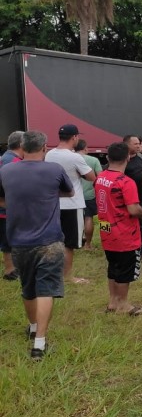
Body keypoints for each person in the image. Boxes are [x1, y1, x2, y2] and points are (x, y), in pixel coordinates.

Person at [0, 130, 73, 360]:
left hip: (19, 242)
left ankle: (32, 327)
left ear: (22, 147)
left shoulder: (7, 170)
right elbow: (69, 190)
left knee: (28, 288)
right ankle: (39, 344)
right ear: (44, 148)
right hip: (50, 240)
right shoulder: (54, 169)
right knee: (46, 289)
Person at [95, 142, 142, 315]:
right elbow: (133, 209)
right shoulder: (126, 182)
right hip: (124, 232)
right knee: (125, 269)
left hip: (105, 228)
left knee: (113, 265)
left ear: (107, 157)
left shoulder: (100, 177)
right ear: (128, 158)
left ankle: (112, 301)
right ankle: (123, 303)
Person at [45, 124, 96, 283]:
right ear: (74, 137)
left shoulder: (49, 154)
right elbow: (91, 176)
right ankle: (67, 277)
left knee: (53, 241)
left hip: (53, 203)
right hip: (72, 204)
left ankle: (51, 273)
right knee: (69, 244)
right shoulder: (74, 157)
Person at [1, 130, 24, 280]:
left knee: (6, 240)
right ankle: (11, 270)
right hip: (9, 208)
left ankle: (10, 268)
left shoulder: (3, 158)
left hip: (4, 208)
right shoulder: (16, 163)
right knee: (11, 240)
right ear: (22, 144)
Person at [76, 139, 102, 250]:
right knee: (88, 218)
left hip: (73, 195)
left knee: (75, 219)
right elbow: (100, 177)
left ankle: (76, 243)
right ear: (85, 148)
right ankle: (88, 244)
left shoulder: (70, 158)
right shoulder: (93, 160)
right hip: (89, 194)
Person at [122, 135, 142, 257]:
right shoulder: (121, 159)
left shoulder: (140, 157)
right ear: (127, 145)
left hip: (138, 198)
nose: (138, 146)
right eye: (135, 144)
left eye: (138, 143)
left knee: (139, 224)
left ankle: (140, 249)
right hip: (122, 199)